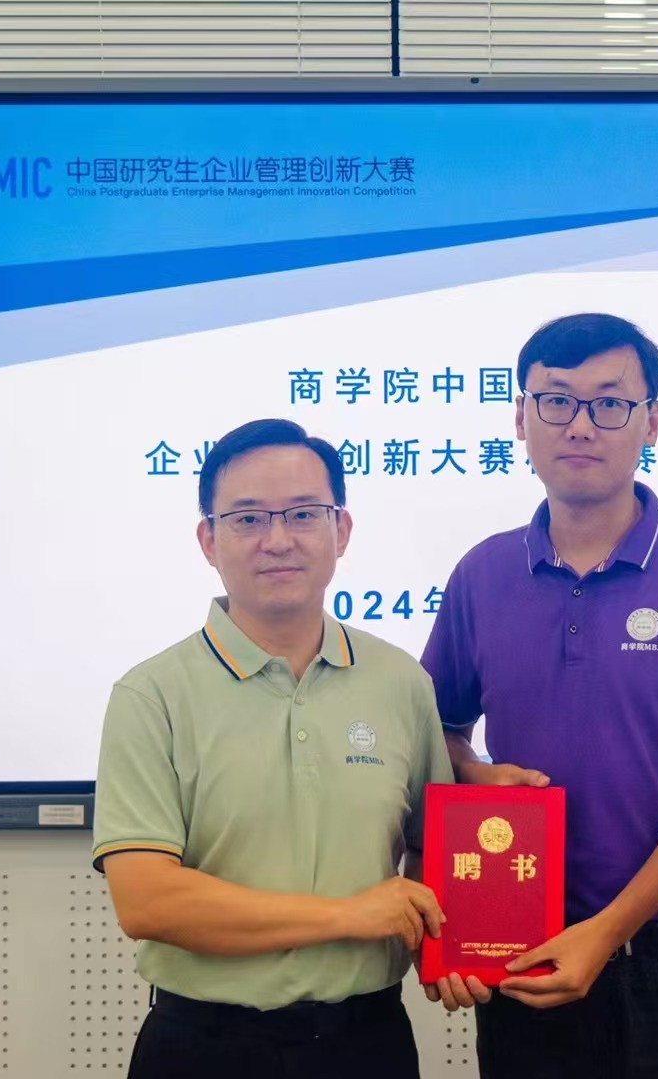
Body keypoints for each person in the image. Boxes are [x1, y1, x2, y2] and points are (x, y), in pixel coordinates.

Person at [420, 313, 658, 1078]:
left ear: (651, 421)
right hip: (524, 946)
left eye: (610, 403)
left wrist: (607, 931)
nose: (580, 425)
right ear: (521, 418)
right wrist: (476, 772)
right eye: (556, 400)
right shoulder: (482, 574)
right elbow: (435, 736)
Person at [92, 418, 454, 1079]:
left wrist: (452, 946)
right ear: (209, 540)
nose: (278, 540)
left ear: (342, 530)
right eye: (249, 519)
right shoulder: (152, 695)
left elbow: (435, 846)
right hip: (204, 1047)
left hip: (367, 1043)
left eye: (304, 514)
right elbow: (147, 902)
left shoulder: (402, 682)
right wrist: (346, 917)